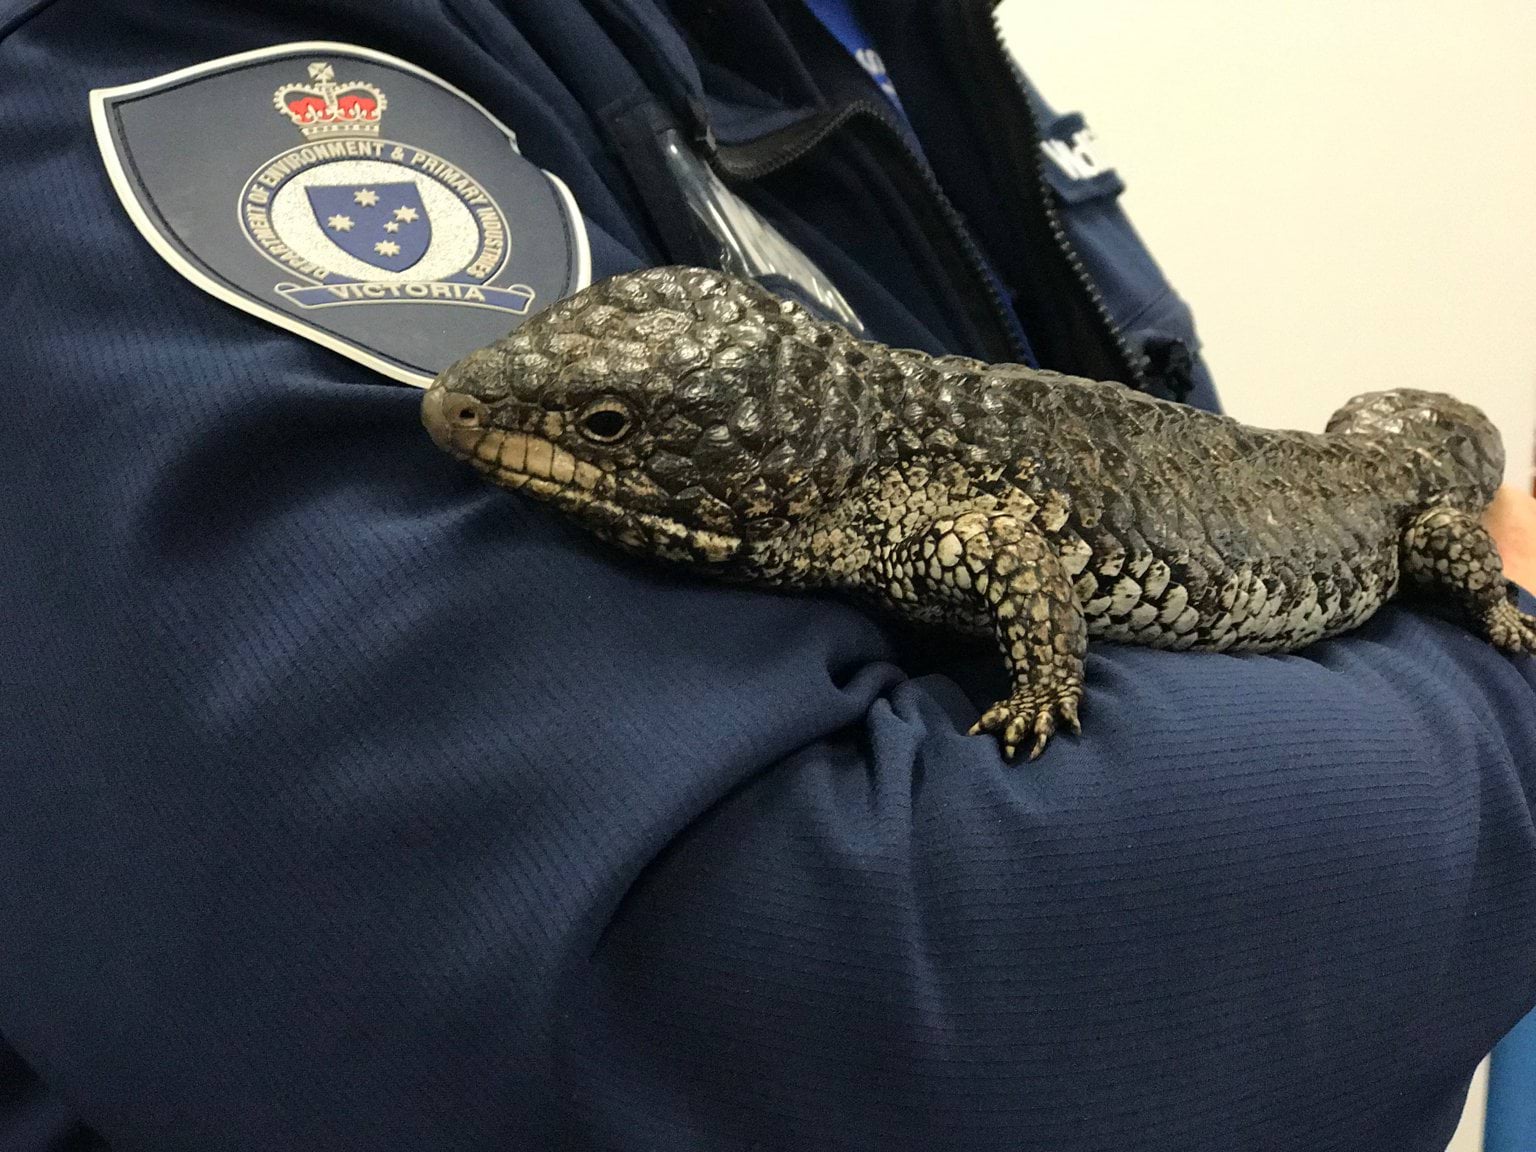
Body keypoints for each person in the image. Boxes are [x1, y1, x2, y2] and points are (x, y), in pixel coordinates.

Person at [1, 2, 1533, 1149]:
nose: (462, 421)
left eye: (598, 427)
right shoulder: (115, 61)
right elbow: (759, 983)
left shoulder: (890, 41)